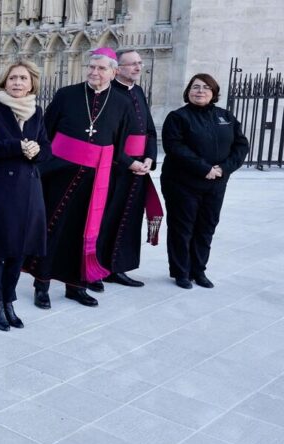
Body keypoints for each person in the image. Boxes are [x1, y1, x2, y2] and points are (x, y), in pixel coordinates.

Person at [24, 47, 136, 308]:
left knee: (84, 232)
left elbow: (118, 146)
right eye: (92, 67)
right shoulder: (67, 95)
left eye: (101, 68)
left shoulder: (122, 103)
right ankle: (42, 283)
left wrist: (131, 165)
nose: (94, 72)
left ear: (114, 72)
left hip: (95, 179)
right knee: (52, 228)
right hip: (58, 175)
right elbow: (46, 132)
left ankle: (76, 286)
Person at [0, 60, 50, 331]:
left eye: (23, 79)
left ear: (32, 84)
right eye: (13, 78)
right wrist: (17, 146)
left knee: (20, 250)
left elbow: (46, 148)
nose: (18, 83)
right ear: (4, 81)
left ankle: (9, 300)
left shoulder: (37, 112)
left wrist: (36, 152)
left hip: (28, 190)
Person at [160, 74, 249, 289]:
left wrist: (223, 169)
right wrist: (204, 168)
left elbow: (241, 145)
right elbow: (175, 147)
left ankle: (198, 270)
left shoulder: (225, 116)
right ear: (188, 91)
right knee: (183, 228)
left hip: (216, 183)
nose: (200, 91)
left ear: (214, 92)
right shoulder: (178, 117)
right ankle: (181, 272)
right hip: (182, 183)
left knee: (206, 227)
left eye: (206, 88)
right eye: (195, 87)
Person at [97, 49, 163, 288]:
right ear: (117, 69)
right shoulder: (107, 93)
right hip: (114, 167)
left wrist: (149, 159)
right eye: (131, 64)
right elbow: (105, 137)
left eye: (139, 63)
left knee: (129, 219)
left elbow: (150, 131)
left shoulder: (138, 91)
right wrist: (128, 162)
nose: (137, 67)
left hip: (138, 168)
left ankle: (118, 268)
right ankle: (98, 267)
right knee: (106, 219)